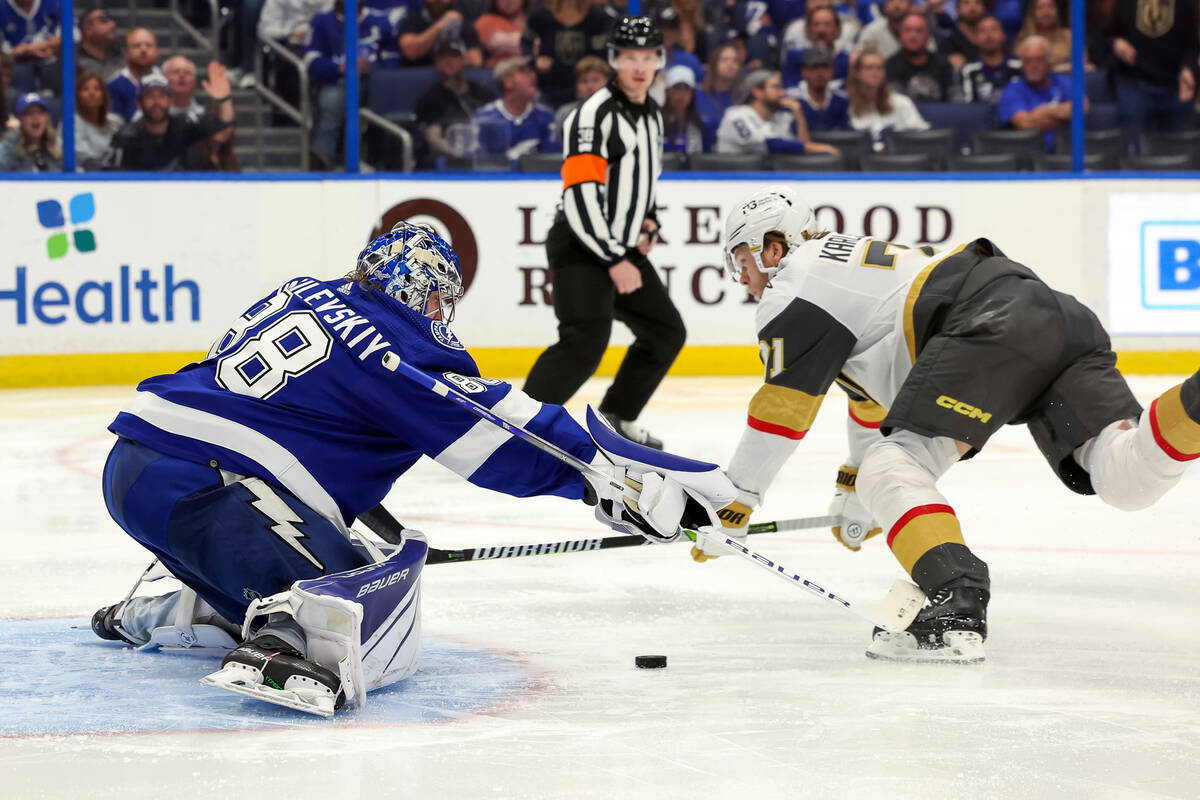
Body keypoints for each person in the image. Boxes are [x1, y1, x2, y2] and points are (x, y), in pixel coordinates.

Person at [90, 221, 734, 716]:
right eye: (436, 299)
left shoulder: (304, 292)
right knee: (350, 603)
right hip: (209, 482)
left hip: (138, 466)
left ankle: (160, 609)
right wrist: (610, 480)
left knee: (334, 551)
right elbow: (500, 430)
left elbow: (300, 411)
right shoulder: (392, 342)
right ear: (412, 287)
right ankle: (280, 645)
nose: (440, 316)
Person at [705, 186, 1200, 664]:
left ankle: (955, 597)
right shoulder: (846, 271)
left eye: (741, 262)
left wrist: (735, 499)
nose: (742, 279)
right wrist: (855, 485)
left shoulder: (792, 284)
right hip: (1049, 313)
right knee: (1125, 474)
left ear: (772, 247)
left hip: (982, 322)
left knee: (891, 467)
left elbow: (783, 409)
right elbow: (873, 401)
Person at [523, 15, 682, 450]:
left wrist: (649, 220)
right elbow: (580, 198)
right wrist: (614, 259)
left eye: (647, 57)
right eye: (630, 57)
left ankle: (617, 416)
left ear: (659, 61)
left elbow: (645, 177)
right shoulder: (592, 117)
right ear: (614, 59)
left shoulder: (652, 113)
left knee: (666, 332)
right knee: (584, 341)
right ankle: (520, 429)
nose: (639, 66)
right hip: (581, 244)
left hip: (622, 249)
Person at [305, 0, 398, 168]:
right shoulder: (321, 21)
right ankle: (323, 158)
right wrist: (339, 67)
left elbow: (393, 58)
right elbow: (311, 59)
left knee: (383, 100)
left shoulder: (381, 20)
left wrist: (374, 67)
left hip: (376, 81)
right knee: (333, 99)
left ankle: (379, 160)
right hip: (338, 80)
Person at [1105, 0, 1198, 149]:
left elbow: (1193, 46)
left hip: (1176, 88)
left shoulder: (1185, 2)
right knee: (1134, 156)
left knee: (1180, 159)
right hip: (1134, 85)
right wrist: (1116, 43)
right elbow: (1107, 34)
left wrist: (1188, 68)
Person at [108, 68, 235, 171]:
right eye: (150, 96)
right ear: (139, 103)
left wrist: (224, 99)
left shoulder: (185, 126)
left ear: (170, 101)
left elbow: (222, 131)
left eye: (162, 96)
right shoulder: (125, 137)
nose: (156, 102)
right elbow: (113, 180)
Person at [715, 69, 838, 156]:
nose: (782, 93)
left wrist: (798, 114)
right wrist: (820, 148)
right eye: (776, 87)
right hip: (729, 182)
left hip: (763, 183)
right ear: (757, 91)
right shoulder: (736, 115)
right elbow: (771, 144)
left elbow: (801, 150)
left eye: (782, 88)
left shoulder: (780, 118)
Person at [415, 39, 496, 163]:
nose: (448, 61)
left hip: (487, 157)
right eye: (442, 57)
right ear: (436, 62)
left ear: (464, 59)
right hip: (451, 161)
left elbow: (497, 128)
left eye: (454, 56)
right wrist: (462, 157)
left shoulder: (483, 94)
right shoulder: (429, 99)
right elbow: (434, 139)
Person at [997, 35, 1083, 151]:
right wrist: (1065, 118)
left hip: (1068, 152)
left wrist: (1044, 111)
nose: (1033, 65)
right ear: (1022, 65)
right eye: (1028, 60)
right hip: (1029, 156)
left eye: (1039, 59)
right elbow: (1025, 124)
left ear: (1049, 62)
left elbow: (1082, 106)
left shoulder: (1062, 81)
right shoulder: (1013, 88)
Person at [525, 0, 612, 108]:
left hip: (585, 84)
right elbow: (525, 41)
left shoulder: (596, 14)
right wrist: (535, 60)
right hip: (549, 84)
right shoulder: (540, 12)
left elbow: (602, 51)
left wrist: (595, 67)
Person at [471, 56, 557, 159]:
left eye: (532, 71)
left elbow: (552, 160)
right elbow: (476, 161)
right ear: (508, 81)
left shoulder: (545, 116)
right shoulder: (484, 118)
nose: (533, 75)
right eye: (524, 72)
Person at [846, 47, 929, 147]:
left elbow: (922, 137)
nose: (875, 72)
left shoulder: (902, 102)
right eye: (869, 68)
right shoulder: (846, 104)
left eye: (880, 68)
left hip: (896, 158)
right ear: (858, 73)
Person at [885, 12, 956, 103]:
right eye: (907, 30)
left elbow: (956, 100)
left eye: (919, 31)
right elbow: (896, 103)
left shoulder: (943, 64)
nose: (913, 36)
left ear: (929, 36)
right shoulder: (890, 66)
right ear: (900, 36)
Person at [781, 4, 849, 89]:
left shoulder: (847, 60)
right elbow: (790, 88)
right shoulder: (794, 57)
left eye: (827, 24)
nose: (821, 29)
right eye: (816, 24)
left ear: (838, 30)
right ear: (808, 30)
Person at [0, 0, 61, 95]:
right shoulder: (2, 7)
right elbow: (3, 52)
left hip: (52, 59)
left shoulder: (53, 3)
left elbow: (73, 34)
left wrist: (56, 42)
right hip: (17, 63)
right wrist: (22, 51)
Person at [398, 0, 483, 67]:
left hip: (453, 78)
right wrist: (441, 24)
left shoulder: (462, 22)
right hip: (416, 78)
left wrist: (451, 61)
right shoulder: (411, 20)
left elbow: (476, 61)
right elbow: (410, 51)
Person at [960, 15, 1020, 105]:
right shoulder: (968, 70)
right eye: (982, 31)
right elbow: (967, 109)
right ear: (975, 38)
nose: (988, 35)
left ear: (1004, 35)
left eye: (994, 29)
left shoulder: (1019, 66)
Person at [107, 28, 163, 122]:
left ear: (157, 51)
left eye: (148, 45)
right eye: (137, 46)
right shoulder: (113, 84)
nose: (143, 50)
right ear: (126, 53)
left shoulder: (167, 81)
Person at [792, 44, 851, 132]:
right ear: (804, 72)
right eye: (814, 67)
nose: (820, 73)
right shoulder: (792, 100)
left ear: (832, 71)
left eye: (825, 67)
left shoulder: (842, 101)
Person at [695, 41, 742, 144]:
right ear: (714, 64)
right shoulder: (696, 96)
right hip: (701, 155)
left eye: (735, 61)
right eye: (724, 60)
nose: (730, 64)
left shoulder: (742, 98)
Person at [0, 91, 61, 171]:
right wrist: (14, 135)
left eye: (40, 112)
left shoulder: (56, 146)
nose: (36, 117)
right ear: (20, 120)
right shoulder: (10, 147)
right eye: (29, 113)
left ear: (46, 118)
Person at [74, 71, 123, 170]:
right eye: (85, 89)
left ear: (104, 95)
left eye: (96, 88)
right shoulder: (72, 122)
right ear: (77, 96)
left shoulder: (116, 122)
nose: (92, 93)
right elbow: (80, 154)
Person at [552, 54, 611, 135]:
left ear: (608, 82)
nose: (590, 86)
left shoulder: (618, 112)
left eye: (595, 80)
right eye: (584, 81)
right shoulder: (565, 114)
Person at [1016, 0, 1072, 72]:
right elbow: (1019, 64)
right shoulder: (1024, 37)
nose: (1046, 12)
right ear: (1032, 12)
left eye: (1050, 7)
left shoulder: (1068, 36)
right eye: (1040, 8)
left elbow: (1082, 63)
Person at [662, 64, 706, 153]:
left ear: (692, 94)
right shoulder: (656, 120)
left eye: (686, 88)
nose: (681, 94)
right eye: (677, 88)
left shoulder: (697, 122)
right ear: (667, 92)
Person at [75, 7, 124, 81]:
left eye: (112, 20)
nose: (112, 24)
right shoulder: (71, 59)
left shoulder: (123, 57)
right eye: (104, 20)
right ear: (87, 28)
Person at [474, 0, 525, 67]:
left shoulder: (536, 22)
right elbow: (500, 43)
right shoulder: (486, 21)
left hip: (532, 73)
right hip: (497, 74)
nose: (508, 1)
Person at [941, 0, 985, 70]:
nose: (972, 7)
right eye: (966, 3)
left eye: (977, 3)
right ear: (957, 10)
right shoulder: (949, 43)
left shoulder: (994, 39)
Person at [162, 56, 205, 122]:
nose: (182, 75)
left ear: (194, 81)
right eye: (175, 72)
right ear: (163, 78)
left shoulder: (204, 115)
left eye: (187, 72)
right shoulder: (150, 117)